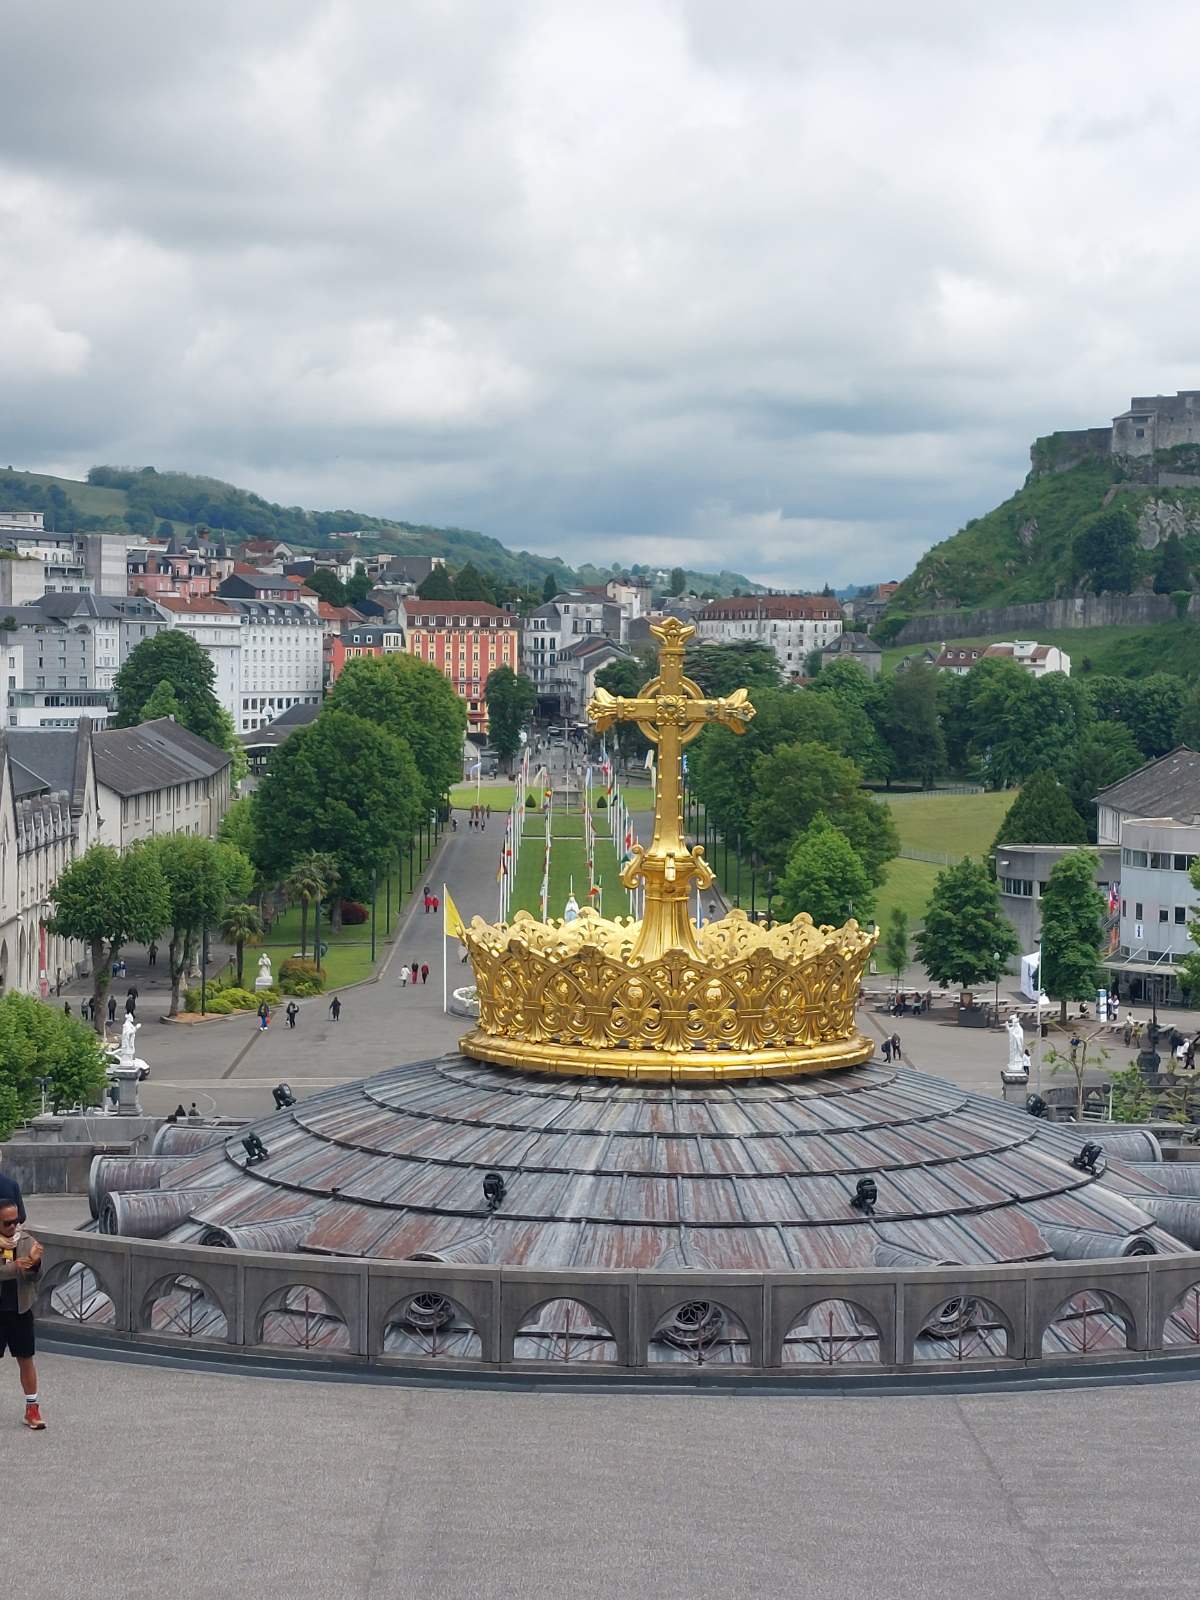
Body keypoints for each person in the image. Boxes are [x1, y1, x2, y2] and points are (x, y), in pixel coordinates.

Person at [0, 1199, 45, 1429]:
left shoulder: (26, 1241)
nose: (13, 1227)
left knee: (26, 1359)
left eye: (16, 1221)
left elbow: (34, 1277)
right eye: (8, 1223)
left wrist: (35, 1264)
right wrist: (14, 1266)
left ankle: (32, 1408)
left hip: (20, 1309)